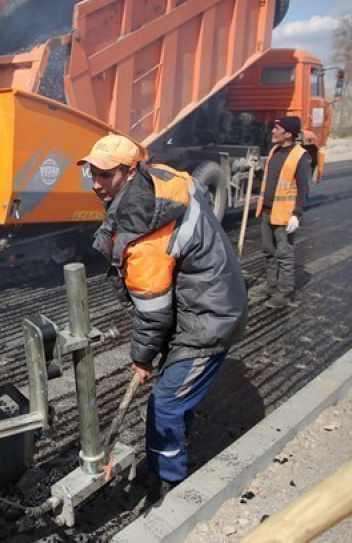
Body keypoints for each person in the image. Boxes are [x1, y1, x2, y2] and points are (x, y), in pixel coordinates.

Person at [77, 134, 248, 496]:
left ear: (130, 170)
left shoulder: (145, 235)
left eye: (105, 174)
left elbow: (153, 314)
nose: (96, 182)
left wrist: (141, 358)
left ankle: (169, 481)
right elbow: (191, 181)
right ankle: (172, 451)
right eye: (92, 172)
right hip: (202, 296)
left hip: (210, 317)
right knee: (174, 390)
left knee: (166, 401)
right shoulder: (163, 180)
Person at [256, 116, 312, 308]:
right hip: (267, 210)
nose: (273, 131)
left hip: (284, 215)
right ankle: (271, 285)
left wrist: (296, 214)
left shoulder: (300, 156)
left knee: (284, 254)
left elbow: (304, 188)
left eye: (277, 128)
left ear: (288, 134)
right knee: (268, 251)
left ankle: (284, 293)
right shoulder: (275, 151)